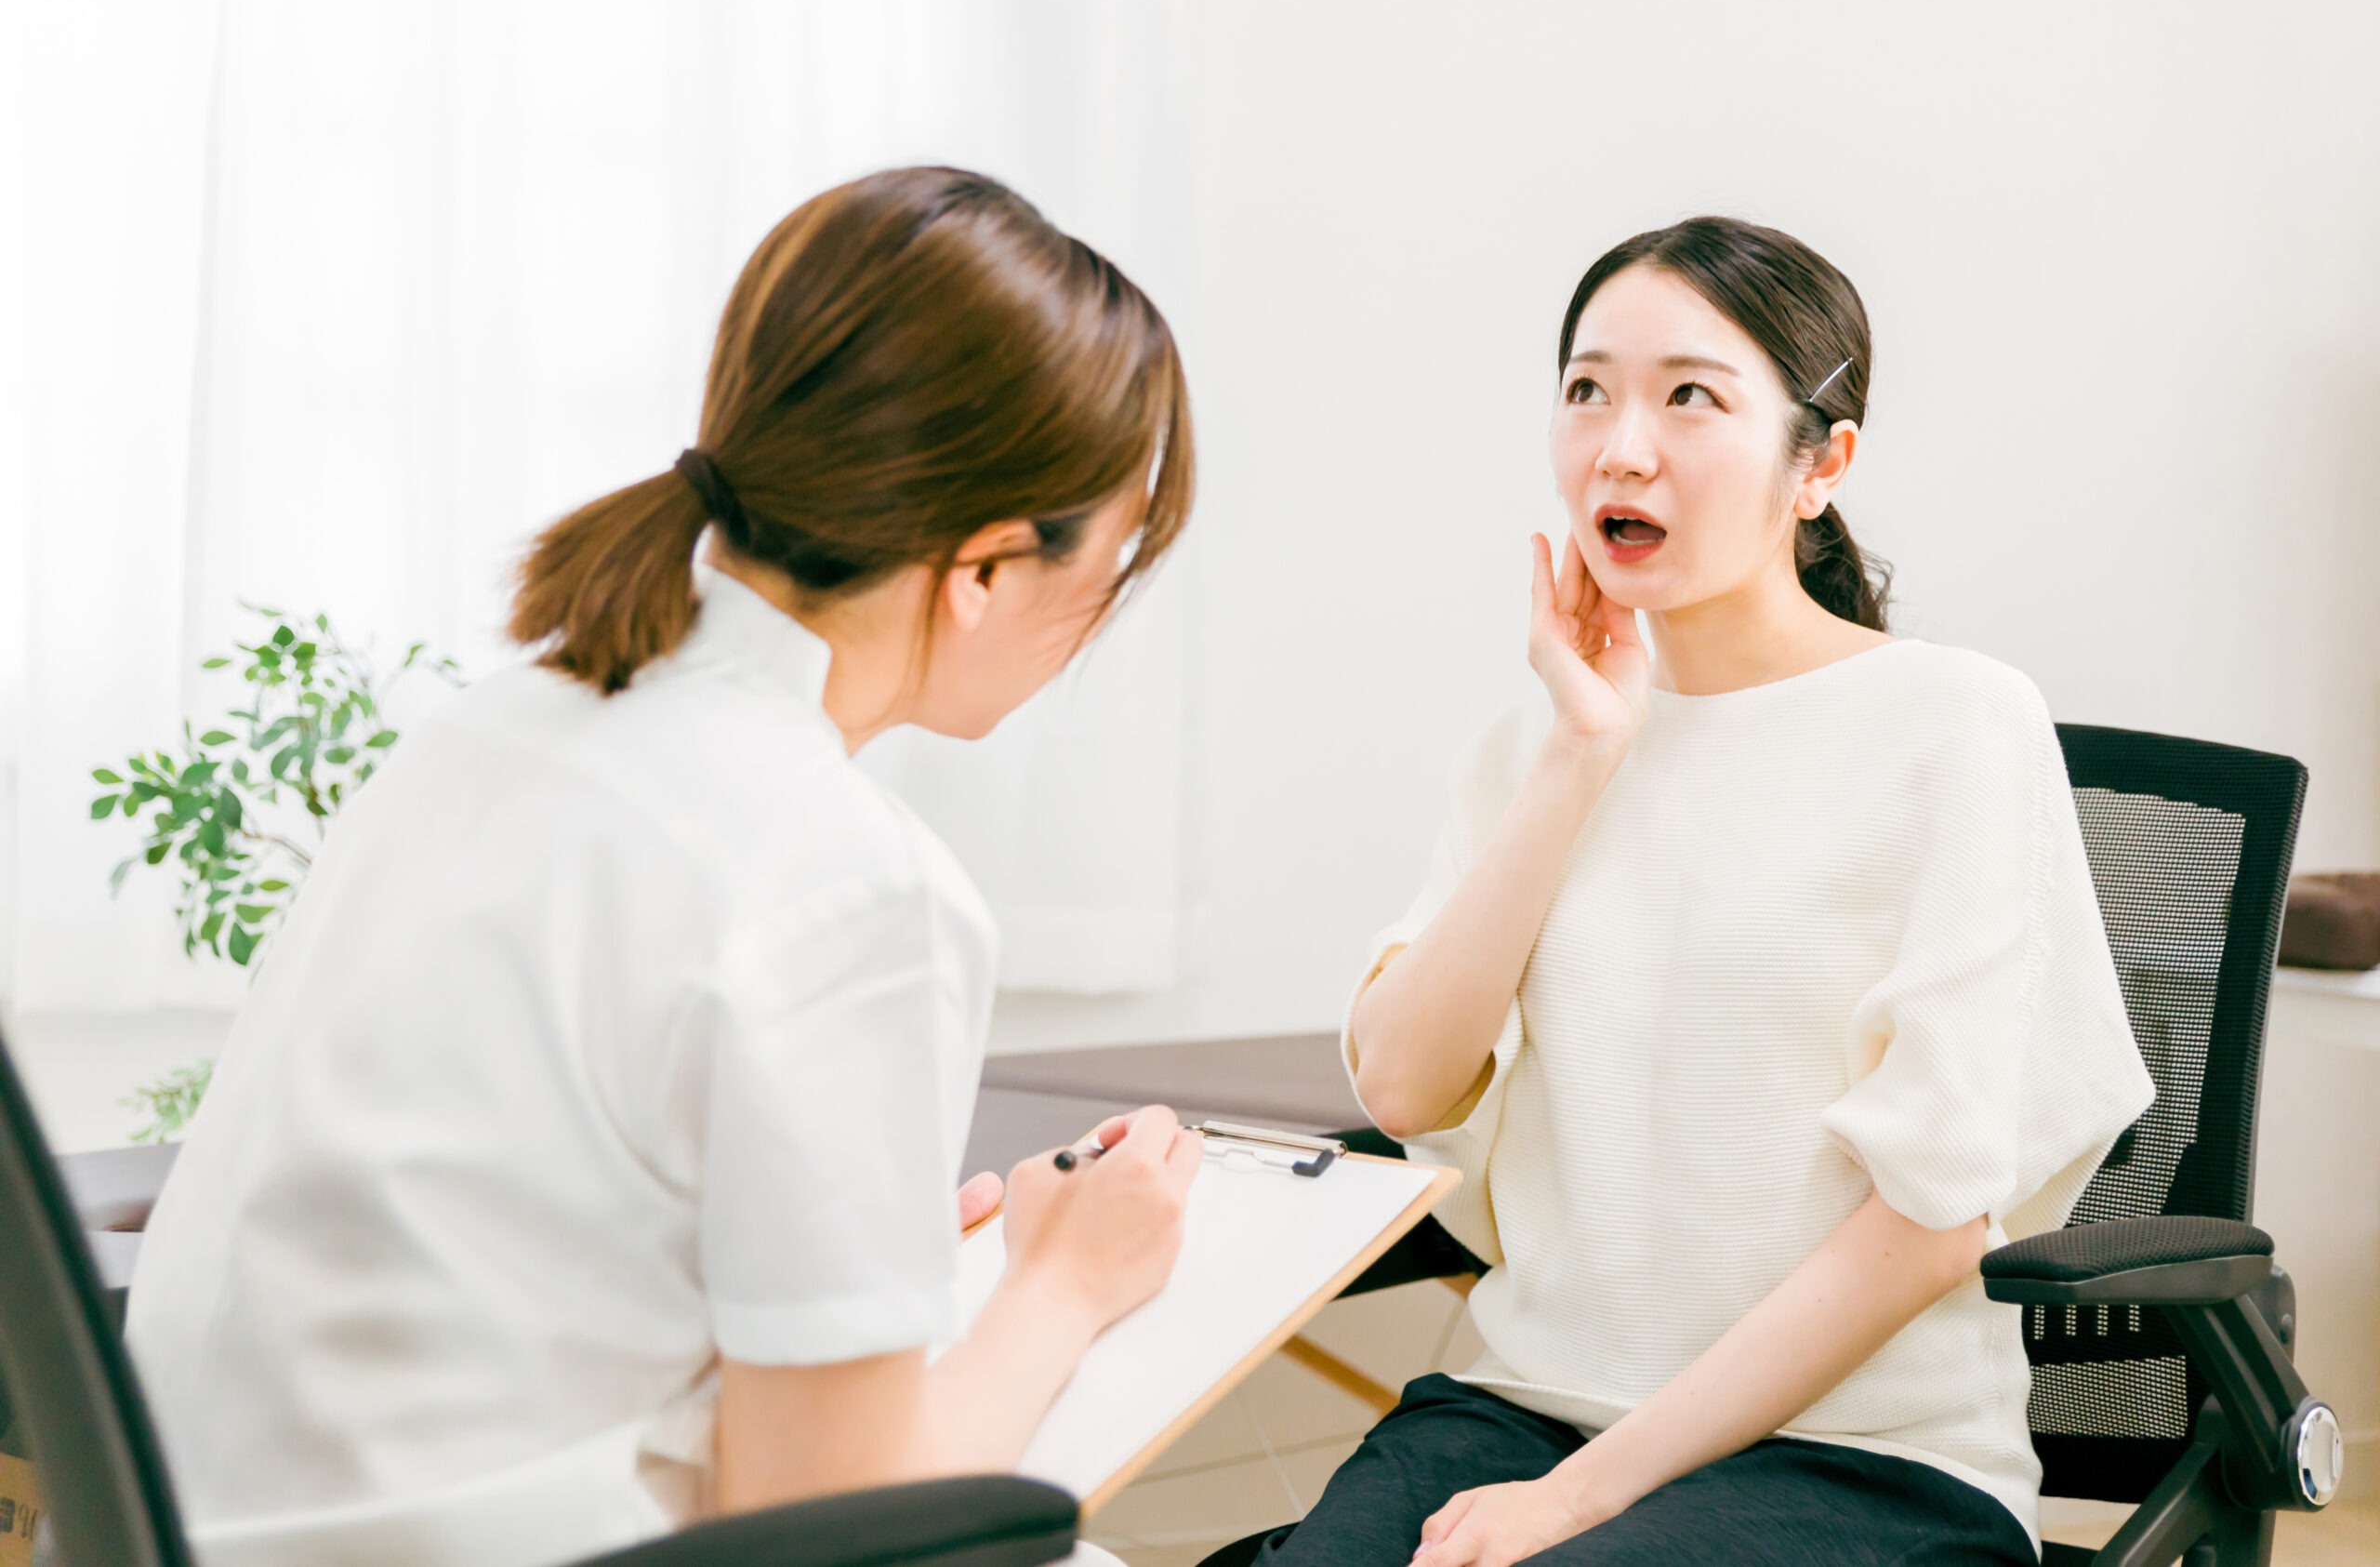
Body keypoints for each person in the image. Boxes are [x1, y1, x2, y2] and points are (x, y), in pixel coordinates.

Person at [126, 166, 1205, 1564]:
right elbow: (833, 1536)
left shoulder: (496, 727)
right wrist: (1063, 1282)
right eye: (1111, 564)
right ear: (988, 570)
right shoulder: (853, 884)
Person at [1255, 219, 2154, 1567]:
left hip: (1863, 1461)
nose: (1623, 445)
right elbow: (1402, 1085)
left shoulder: (1955, 724)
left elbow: (1930, 1218)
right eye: (1587, 390)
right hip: (1524, 1410)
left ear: (1823, 463)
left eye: (1691, 395)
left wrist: (1580, 1500)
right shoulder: (1532, 746)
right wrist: (1580, 756)